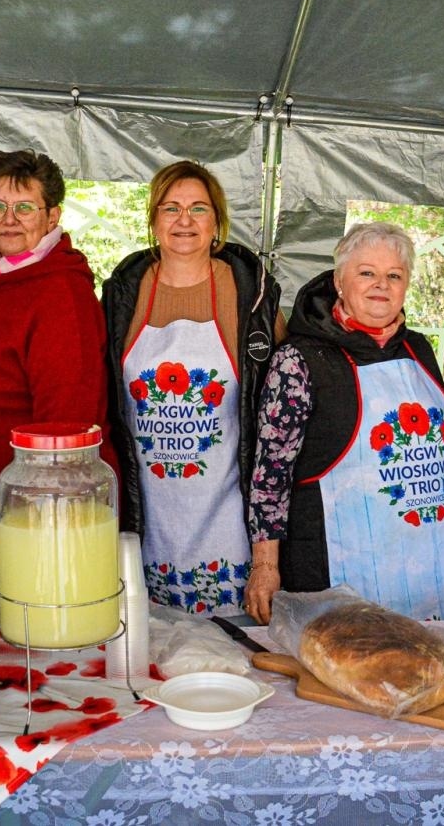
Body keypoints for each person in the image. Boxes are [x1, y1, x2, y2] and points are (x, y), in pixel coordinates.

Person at [244, 222, 444, 624]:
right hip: (341, 565)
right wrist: (265, 567)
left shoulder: (418, 348)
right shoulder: (298, 359)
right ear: (339, 282)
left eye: (394, 275)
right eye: (367, 273)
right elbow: (269, 477)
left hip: (430, 566)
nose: (381, 284)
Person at [102, 161, 284, 615]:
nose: (184, 221)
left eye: (198, 209)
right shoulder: (123, 295)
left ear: (217, 222)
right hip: (149, 519)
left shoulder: (250, 297)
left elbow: (282, 417)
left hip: (229, 522)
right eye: (171, 208)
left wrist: (268, 557)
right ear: (153, 219)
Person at [0, 149, 115, 597]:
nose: (9, 219)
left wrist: (46, 532)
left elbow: (66, 430)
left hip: (36, 523)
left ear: (52, 215)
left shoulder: (58, 292)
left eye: (25, 207)